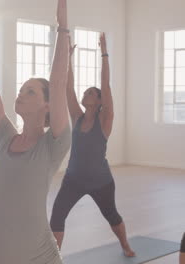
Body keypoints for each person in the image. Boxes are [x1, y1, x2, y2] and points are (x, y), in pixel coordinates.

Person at [0, 0, 71, 263]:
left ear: (47, 105)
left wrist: (62, 27)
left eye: (31, 91)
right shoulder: (4, 137)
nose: (21, 94)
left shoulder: (52, 146)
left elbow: (58, 83)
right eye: (22, 89)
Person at [49, 33, 135, 257]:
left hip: (101, 182)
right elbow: (69, 88)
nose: (85, 93)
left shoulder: (105, 121)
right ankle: (53, 257)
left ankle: (125, 245)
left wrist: (104, 52)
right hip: (73, 180)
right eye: (85, 91)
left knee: (112, 216)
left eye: (90, 93)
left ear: (99, 102)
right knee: (57, 215)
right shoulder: (77, 118)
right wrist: (67, 58)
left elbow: (105, 84)